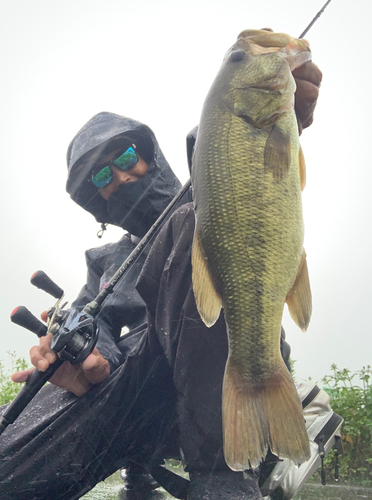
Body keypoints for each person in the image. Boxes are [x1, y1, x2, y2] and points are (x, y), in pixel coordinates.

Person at [0, 58, 328, 500]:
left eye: (126, 157)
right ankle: (140, 471)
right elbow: (97, 335)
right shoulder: (104, 264)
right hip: (147, 395)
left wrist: (280, 109)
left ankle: (228, 479)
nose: (119, 175)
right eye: (101, 176)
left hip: (237, 380)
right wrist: (87, 362)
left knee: (192, 223)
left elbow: (238, 139)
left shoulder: (209, 179)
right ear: (96, 201)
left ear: (149, 154)